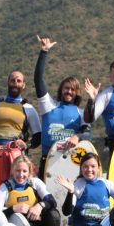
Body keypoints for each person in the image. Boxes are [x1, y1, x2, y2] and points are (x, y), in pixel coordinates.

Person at [33, 36, 91, 178]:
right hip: (48, 161)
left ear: (77, 93)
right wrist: (44, 52)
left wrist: (78, 137)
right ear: (61, 89)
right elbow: (38, 79)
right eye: (66, 88)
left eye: (72, 89)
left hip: (72, 164)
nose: (69, 92)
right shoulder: (48, 106)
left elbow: (88, 134)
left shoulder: (81, 113)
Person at [0, 155, 60, 226]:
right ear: (12, 171)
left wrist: (40, 206)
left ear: (29, 172)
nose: (21, 175)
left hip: (37, 221)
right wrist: (13, 209)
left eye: (24, 171)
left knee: (54, 214)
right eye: (18, 171)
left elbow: (52, 202)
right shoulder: (4, 188)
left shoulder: (35, 183)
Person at [0, 55, 41, 150]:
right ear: (8, 83)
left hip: (16, 155)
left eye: (19, 81)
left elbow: (38, 137)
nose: (15, 83)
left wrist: (27, 145)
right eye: (12, 80)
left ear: (23, 85)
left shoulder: (28, 109)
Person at [57, 152, 114, 226]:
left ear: (98, 168)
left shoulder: (107, 184)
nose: (89, 170)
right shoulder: (77, 185)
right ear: (81, 168)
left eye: (93, 166)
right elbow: (66, 212)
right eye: (85, 166)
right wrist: (70, 192)